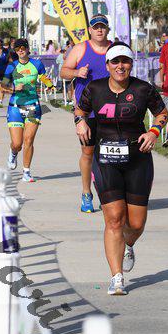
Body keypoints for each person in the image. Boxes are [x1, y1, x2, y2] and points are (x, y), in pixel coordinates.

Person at [74, 41, 168, 295]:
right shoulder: (95, 88)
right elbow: (80, 110)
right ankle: (117, 277)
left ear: (131, 64)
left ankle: (128, 244)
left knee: (135, 224)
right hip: (105, 160)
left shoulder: (143, 89)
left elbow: (162, 113)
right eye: (115, 61)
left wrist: (154, 131)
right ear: (107, 65)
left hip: (138, 159)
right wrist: (80, 122)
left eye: (125, 61)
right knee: (114, 218)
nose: (120, 66)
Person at [61, 14, 112, 213]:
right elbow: (63, 71)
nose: (99, 30)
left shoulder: (114, 49)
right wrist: (76, 72)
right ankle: (86, 193)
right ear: (90, 30)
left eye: (102, 27)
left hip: (111, 111)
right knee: (88, 153)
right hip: (86, 112)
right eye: (96, 27)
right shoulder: (80, 49)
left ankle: (110, 194)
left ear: (107, 29)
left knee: (110, 154)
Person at [2, 38, 54, 182]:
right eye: (17, 48)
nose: (20, 50)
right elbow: (3, 86)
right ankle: (13, 152)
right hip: (15, 108)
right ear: (15, 51)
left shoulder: (37, 64)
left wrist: (49, 85)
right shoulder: (12, 66)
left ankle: (26, 172)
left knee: (29, 140)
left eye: (23, 47)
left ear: (27, 49)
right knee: (17, 143)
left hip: (33, 106)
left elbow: (43, 77)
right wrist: (14, 88)